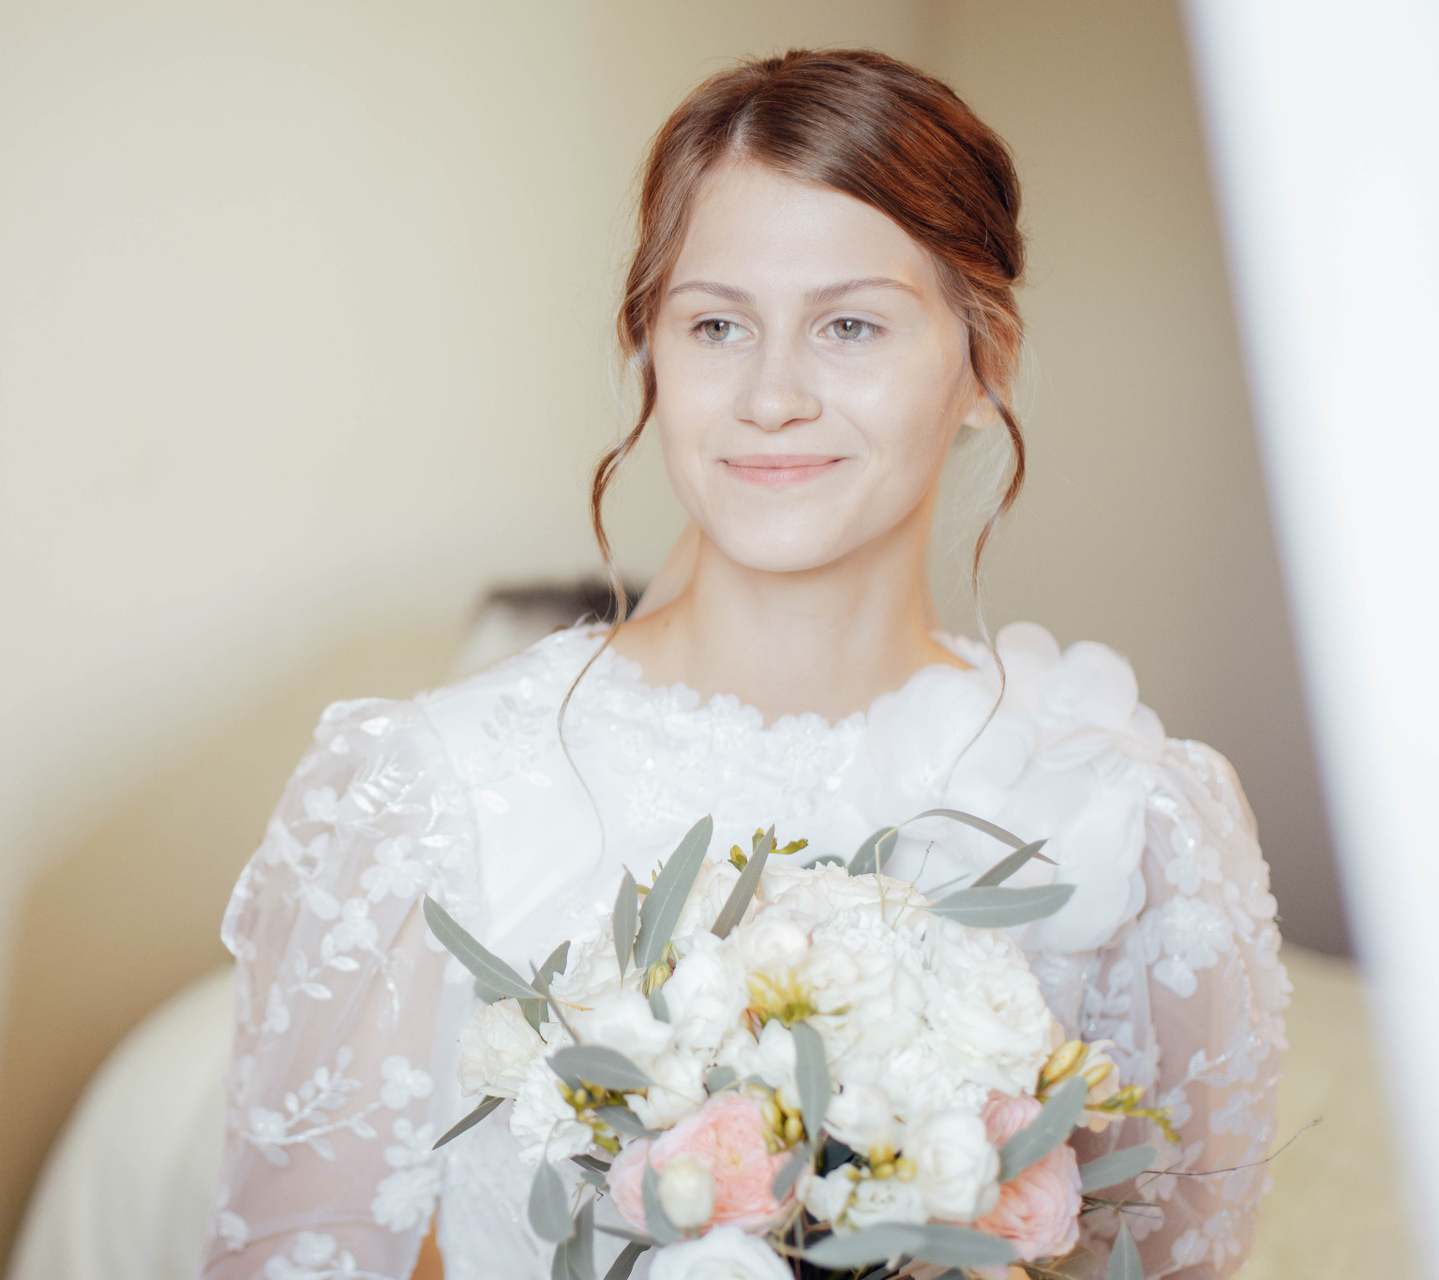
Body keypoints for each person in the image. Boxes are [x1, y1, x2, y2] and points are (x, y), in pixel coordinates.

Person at [201, 49, 1287, 1280]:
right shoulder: (422, 793)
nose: (772, 396)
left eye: (850, 325)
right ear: (651, 353)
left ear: (986, 363)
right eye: (717, 324)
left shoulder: (1142, 825)